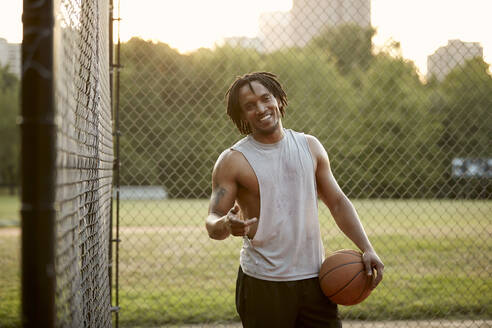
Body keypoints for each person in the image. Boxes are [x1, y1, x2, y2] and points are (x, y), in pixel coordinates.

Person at [205, 72, 384, 328]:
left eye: (265, 98)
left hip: (315, 280)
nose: (261, 108)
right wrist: (225, 224)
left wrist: (367, 247)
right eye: (249, 106)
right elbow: (212, 220)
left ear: (278, 99)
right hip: (263, 283)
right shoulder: (232, 160)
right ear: (242, 115)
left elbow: (337, 202)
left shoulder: (310, 147)